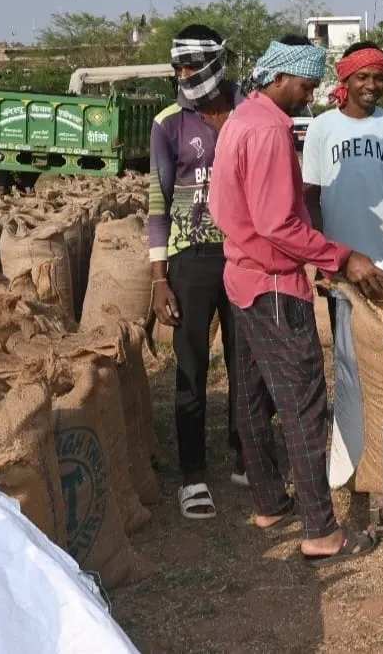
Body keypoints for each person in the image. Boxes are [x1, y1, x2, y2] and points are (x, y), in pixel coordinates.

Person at [208, 36, 383, 565]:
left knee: (250, 396)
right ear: (281, 78)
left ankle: (269, 502)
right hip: (272, 285)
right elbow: (278, 224)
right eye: (307, 86)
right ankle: (321, 530)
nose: (310, 96)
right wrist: (342, 257)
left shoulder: (242, 118)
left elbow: (229, 207)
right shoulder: (269, 129)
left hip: (241, 276)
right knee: (303, 405)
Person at [301, 41, 383, 487]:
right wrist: (324, 257)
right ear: (346, 80)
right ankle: (355, 451)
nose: (371, 85)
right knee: (349, 360)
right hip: (341, 267)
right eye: (363, 77)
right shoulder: (322, 129)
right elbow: (310, 198)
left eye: (379, 78)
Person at [148, 25, 247, 519]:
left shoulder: (247, 111)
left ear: (213, 63)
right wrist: (159, 277)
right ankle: (193, 474)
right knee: (191, 365)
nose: (183, 75)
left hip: (244, 253)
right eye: (178, 67)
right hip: (191, 256)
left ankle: (247, 453)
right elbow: (158, 200)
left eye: (190, 66)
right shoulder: (168, 122)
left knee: (246, 359)